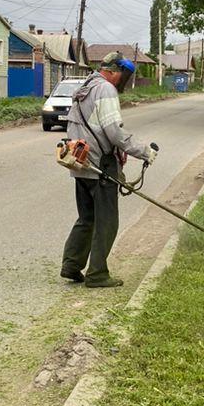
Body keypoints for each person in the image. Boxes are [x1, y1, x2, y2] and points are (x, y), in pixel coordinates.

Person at [60, 52, 157, 288]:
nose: (123, 80)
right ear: (114, 72)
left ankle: (71, 265)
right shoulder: (105, 90)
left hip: (79, 161)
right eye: (123, 75)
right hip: (99, 166)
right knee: (107, 222)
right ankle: (97, 274)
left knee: (87, 218)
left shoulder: (85, 87)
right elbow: (113, 132)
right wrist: (144, 151)